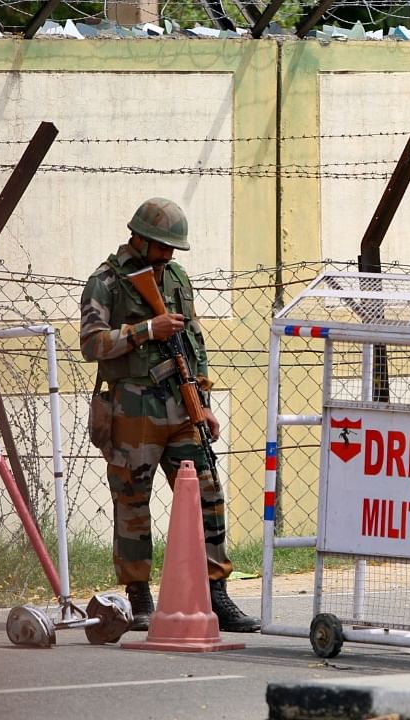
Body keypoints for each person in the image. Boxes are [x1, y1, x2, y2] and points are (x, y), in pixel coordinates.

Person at [79, 197, 259, 633]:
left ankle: (216, 594)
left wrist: (204, 402)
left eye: (172, 247)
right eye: (161, 245)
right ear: (138, 237)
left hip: (181, 405)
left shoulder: (177, 278)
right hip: (133, 407)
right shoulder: (107, 281)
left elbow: (194, 342)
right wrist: (146, 331)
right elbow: (92, 344)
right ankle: (139, 595)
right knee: (133, 500)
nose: (168, 254)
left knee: (208, 494)